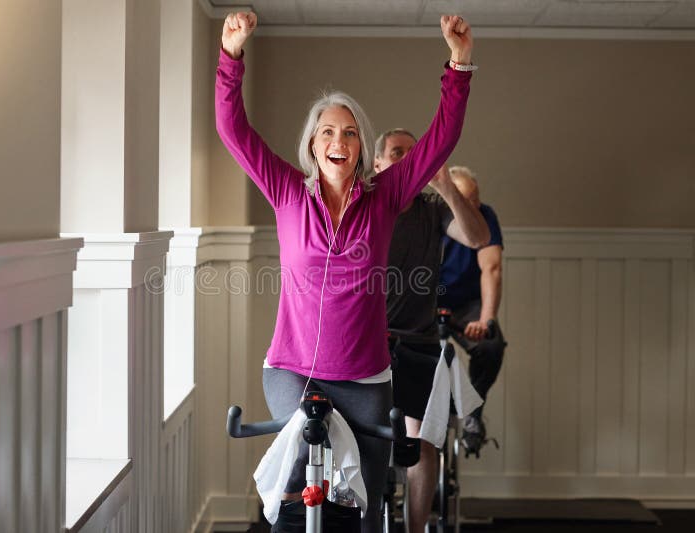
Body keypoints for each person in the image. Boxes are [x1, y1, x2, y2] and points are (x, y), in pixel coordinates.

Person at [216, 11, 475, 532]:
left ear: (360, 150)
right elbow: (233, 130)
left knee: (368, 499)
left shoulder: (386, 199)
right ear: (314, 144)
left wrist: (459, 64)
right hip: (291, 369)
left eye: (351, 133)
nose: (340, 139)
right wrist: (231, 56)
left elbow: (440, 139)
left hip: (364, 374)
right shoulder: (288, 191)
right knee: (297, 489)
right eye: (329, 131)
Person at [377, 129, 489, 533]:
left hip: (420, 342)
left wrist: (445, 186)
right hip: (369, 343)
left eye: (413, 153)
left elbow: (478, 237)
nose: (406, 159)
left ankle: (415, 528)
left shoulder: (432, 208)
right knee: (366, 440)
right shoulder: (368, 204)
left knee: (423, 442)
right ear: (378, 165)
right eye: (396, 153)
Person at [438, 165, 507, 456]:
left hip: (466, 303)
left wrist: (486, 320)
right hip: (428, 300)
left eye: (476, 198)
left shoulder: (485, 216)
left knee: (490, 346)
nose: (474, 207)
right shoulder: (433, 215)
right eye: (466, 201)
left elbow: (491, 268)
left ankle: (471, 413)